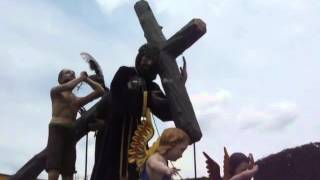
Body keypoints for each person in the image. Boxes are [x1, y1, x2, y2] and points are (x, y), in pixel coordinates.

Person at [90, 43, 187, 180]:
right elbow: (116, 95)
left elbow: (165, 110)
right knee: (108, 168)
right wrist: (130, 87)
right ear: (140, 56)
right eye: (146, 57)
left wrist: (180, 86)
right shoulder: (125, 72)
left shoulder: (150, 86)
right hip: (114, 130)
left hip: (136, 135)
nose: (148, 62)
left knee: (136, 170)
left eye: (152, 60)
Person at [46, 69, 105, 180]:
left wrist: (87, 79)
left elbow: (100, 91)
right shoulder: (55, 92)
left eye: (73, 73)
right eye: (68, 73)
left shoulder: (76, 101)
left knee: (69, 169)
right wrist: (81, 78)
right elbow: (68, 87)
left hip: (71, 131)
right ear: (60, 79)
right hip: (57, 128)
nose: (72, 74)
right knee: (54, 166)